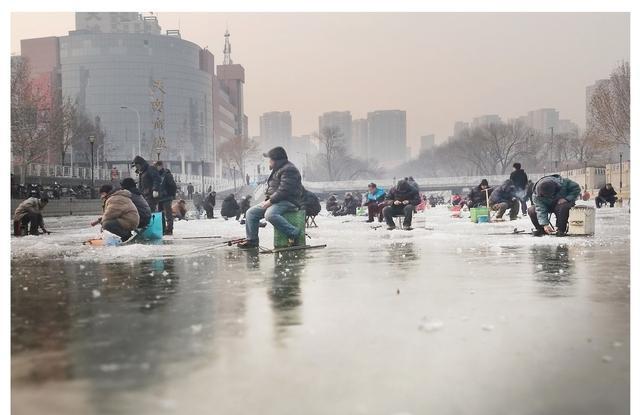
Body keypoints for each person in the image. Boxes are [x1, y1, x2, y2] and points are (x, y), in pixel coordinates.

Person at [238, 146, 304, 249]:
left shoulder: (289, 170)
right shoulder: (278, 169)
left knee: (270, 214)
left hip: (289, 200)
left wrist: (270, 201)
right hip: (276, 201)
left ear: (276, 160)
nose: (269, 162)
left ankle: (294, 232)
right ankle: (252, 240)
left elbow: (284, 190)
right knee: (250, 213)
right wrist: (269, 198)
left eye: (270, 159)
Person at [154, 161, 177, 235]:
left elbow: (173, 185)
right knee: (160, 214)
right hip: (159, 197)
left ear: (160, 166)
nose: (155, 168)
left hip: (166, 197)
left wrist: (170, 194)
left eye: (156, 166)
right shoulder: (156, 175)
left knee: (168, 214)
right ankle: (163, 229)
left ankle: (169, 229)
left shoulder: (166, 175)